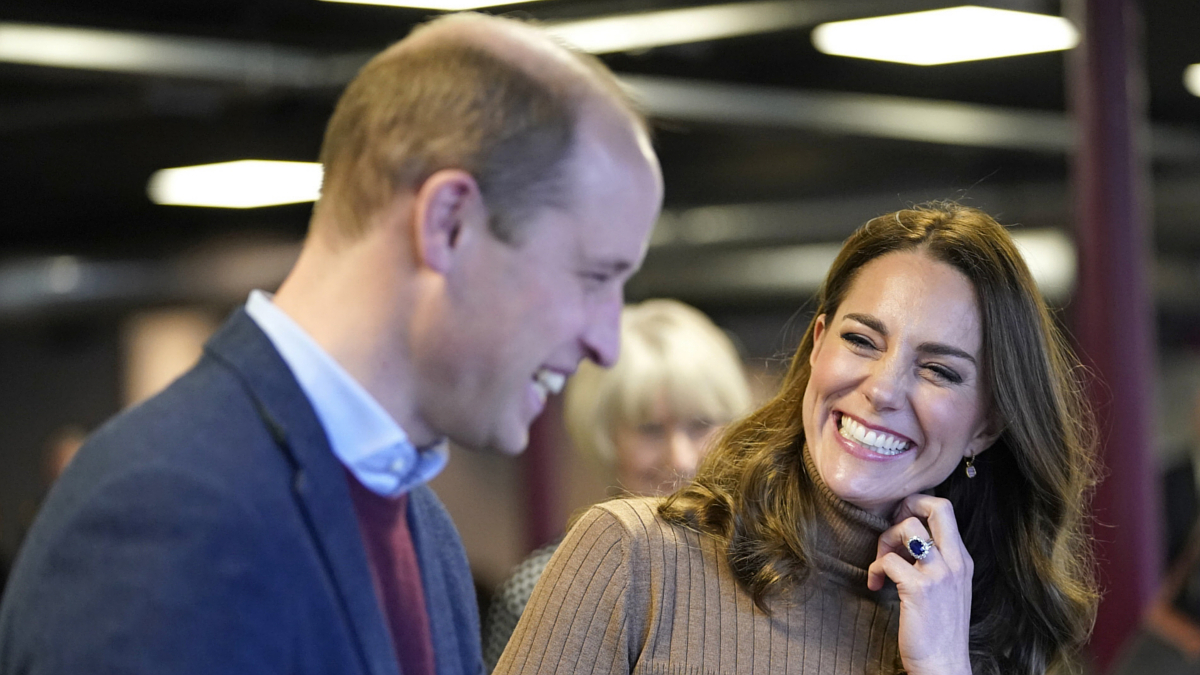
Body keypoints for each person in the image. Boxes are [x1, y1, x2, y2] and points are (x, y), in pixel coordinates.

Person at [0, 13, 662, 675]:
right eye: (594, 276)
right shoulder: (170, 510)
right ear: (449, 223)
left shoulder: (424, 531)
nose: (606, 341)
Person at [494, 202, 1098, 675]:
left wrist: (942, 666)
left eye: (938, 370)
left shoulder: (985, 640)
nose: (883, 389)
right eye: (862, 340)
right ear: (818, 345)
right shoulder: (634, 557)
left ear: (987, 425)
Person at [481, 298, 753, 670]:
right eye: (651, 430)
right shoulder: (541, 586)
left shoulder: (770, 569)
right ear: (605, 437)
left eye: (700, 424)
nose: (682, 459)